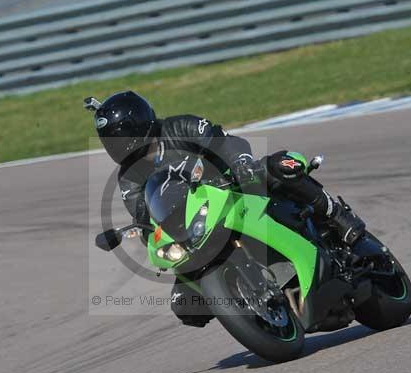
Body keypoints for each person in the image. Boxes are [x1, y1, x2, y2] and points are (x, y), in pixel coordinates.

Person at [86, 90, 365, 327]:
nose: (115, 146)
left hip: (235, 188)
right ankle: (253, 309)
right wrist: (150, 234)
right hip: (197, 226)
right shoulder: (129, 177)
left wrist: (241, 162)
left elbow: (225, 141)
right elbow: (144, 215)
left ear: (138, 124)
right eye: (108, 139)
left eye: (118, 137)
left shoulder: (180, 127)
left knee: (279, 167)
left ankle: (338, 216)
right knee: (184, 305)